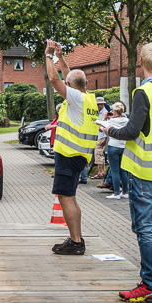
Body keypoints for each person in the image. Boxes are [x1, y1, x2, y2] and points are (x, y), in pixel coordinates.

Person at [104, 42, 152, 303]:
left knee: (146, 228)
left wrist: (109, 130)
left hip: (144, 168)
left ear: (141, 61)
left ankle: (149, 284)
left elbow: (132, 131)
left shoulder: (143, 92)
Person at [46, 39, 98, 256]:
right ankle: (76, 239)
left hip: (68, 155)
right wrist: (61, 57)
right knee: (70, 197)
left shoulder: (75, 98)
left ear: (70, 85)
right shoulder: (88, 98)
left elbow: (54, 79)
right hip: (80, 155)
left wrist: (48, 56)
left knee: (66, 197)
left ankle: (76, 242)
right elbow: (68, 77)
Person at [105, 101, 130, 200]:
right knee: (123, 170)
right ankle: (125, 191)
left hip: (113, 145)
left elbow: (103, 130)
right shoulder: (127, 121)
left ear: (115, 111)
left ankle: (116, 193)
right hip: (123, 146)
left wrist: (104, 118)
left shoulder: (111, 122)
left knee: (115, 170)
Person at [93, 96, 109, 179]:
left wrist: (105, 138)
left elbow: (106, 126)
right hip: (100, 136)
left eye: (98, 104)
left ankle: (101, 172)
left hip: (101, 136)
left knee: (99, 154)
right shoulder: (100, 112)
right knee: (99, 154)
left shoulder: (104, 114)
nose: (97, 106)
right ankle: (101, 172)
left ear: (101, 104)